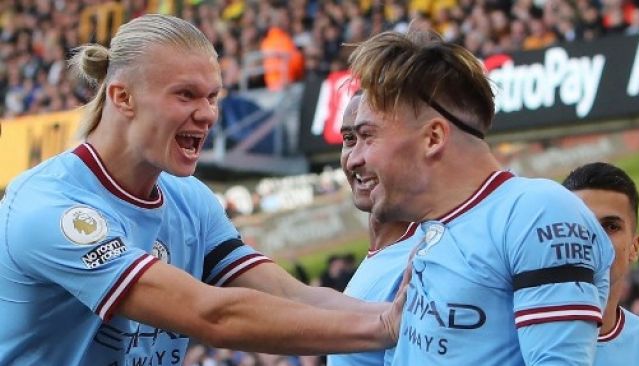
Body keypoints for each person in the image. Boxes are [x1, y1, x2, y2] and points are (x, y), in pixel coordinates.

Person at [0, 15, 405, 365]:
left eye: (212, 96)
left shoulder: (188, 197)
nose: (208, 113)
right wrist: (384, 325)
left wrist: (410, 318)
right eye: (186, 95)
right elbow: (212, 317)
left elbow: (291, 295)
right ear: (122, 97)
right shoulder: (52, 207)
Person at [346, 29, 614, 365]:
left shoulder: (537, 212)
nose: (355, 159)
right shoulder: (435, 233)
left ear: (433, 137)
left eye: (368, 136)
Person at [327, 92, 421, 366]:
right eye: (348, 140)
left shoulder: (424, 259)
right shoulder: (382, 257)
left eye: (371, 138)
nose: (355, 158)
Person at [562, 162, 639, 365]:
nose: (595, 240)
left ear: (634, 247)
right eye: (580, 225)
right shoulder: (511, 343)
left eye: (611, 226)